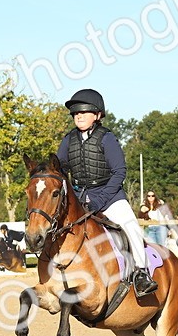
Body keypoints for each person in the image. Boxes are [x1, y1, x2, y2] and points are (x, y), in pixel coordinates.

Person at [55, 88, 157, 296]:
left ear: (98, 114)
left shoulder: (107, 138)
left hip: (110, 196)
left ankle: (140, 273)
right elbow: (59, 169)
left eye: (83, 112)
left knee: (131, 226)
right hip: (80, 197)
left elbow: (119, 172)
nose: (79, 116)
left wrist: (100, 200)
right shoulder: (68, 140)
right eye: (75, 113)